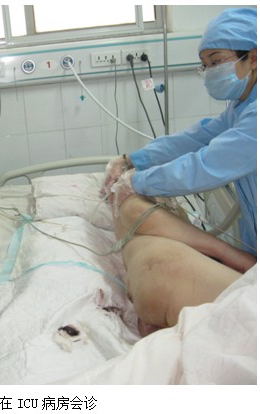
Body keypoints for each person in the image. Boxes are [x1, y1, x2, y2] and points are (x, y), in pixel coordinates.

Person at [103, 7, 257, 256]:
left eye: (216, 62)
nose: (210, 71)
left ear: (253, 57)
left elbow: (208, 164)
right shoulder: (241, 107)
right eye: (205, 65)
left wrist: (137, 182)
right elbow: (195, 139)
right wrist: (131, 160)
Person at [108, 171, 256, 337]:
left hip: (150, 289)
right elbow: (137, 211)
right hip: (165, 282)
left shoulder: (129, 220)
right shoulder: (134, 207)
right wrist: (228, 253)